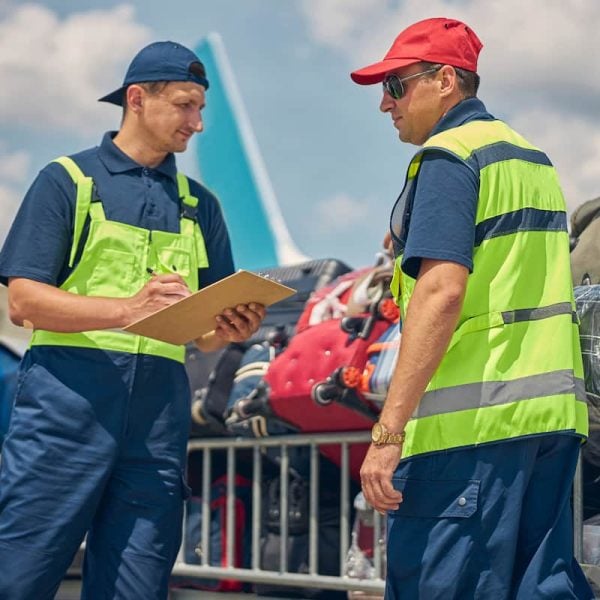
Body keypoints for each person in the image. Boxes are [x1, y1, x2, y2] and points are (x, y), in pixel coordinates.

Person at [0, 41, 265, 599]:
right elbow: (22, 302)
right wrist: (128, 310)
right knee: (16, 578)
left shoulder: (200, 205)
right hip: (66, 410)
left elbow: (205, 332)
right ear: (137, 99)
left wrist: (228, 332)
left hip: (157, 425)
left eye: (201, 109)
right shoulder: (68, 181)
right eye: (185, 106)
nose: (196, 123)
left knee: (137, 588)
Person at [352, 17, 593, 599]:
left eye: (396, 86)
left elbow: (442, 293)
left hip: (472, 429)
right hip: (549, 426)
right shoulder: (531, 160)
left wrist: (388, 433)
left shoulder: (449, 157)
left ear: (445, 80)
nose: (386, 105)